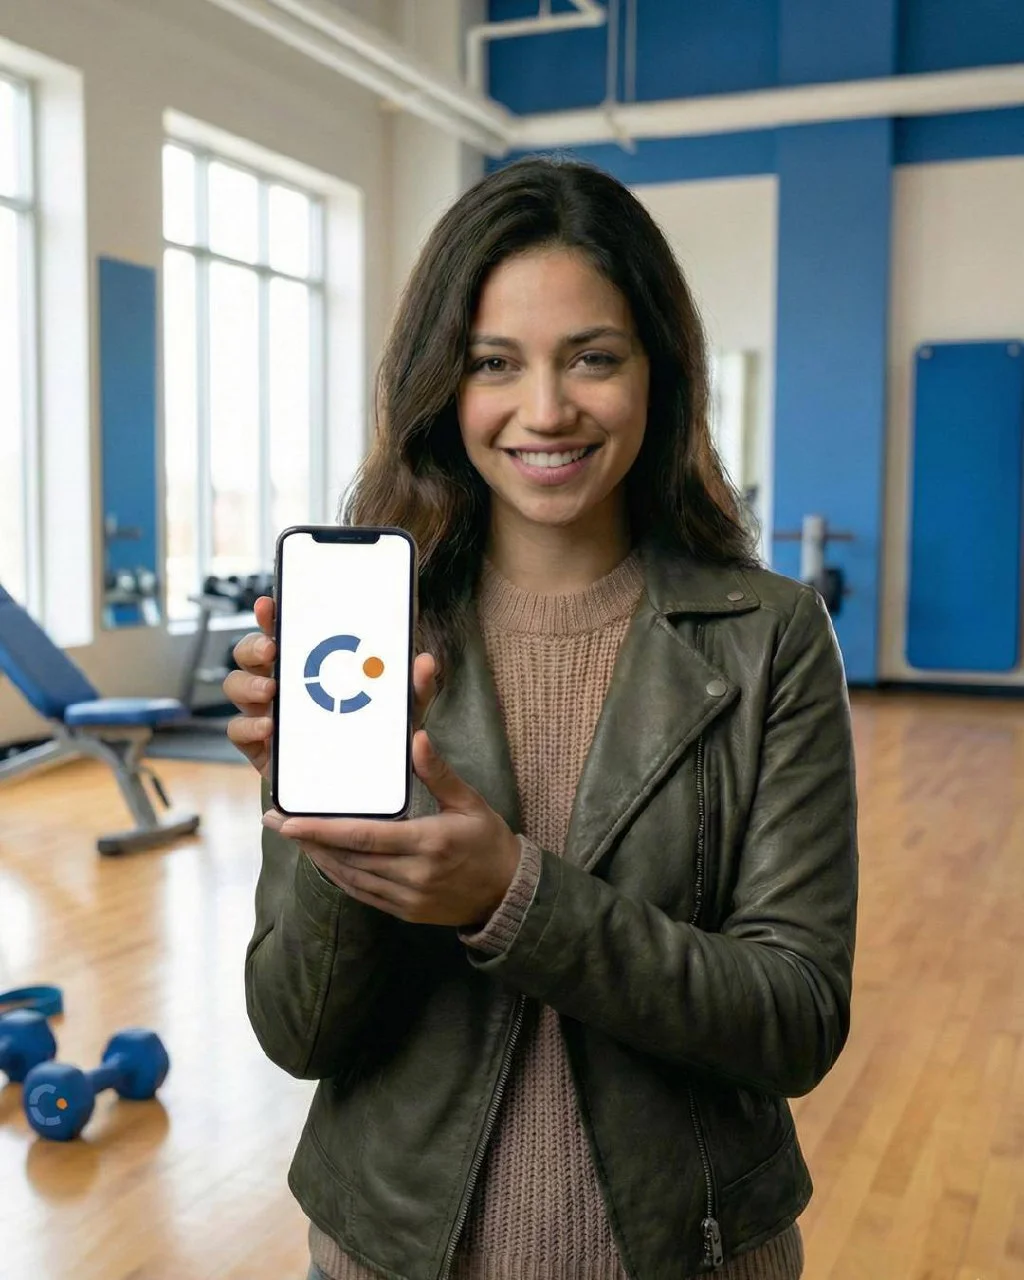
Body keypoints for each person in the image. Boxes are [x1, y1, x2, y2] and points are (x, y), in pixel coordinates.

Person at [224, 156, 858, 1280]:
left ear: (658, 370)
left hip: (690, 1253)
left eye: (592, 358)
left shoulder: (769, 635)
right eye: (493, 364)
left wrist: (514, 896)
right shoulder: (370, 635)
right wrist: (320, 828)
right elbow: (297, 1029)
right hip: (389, 1251)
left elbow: (795, 1014)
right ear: (441, 385)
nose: (547, 408)